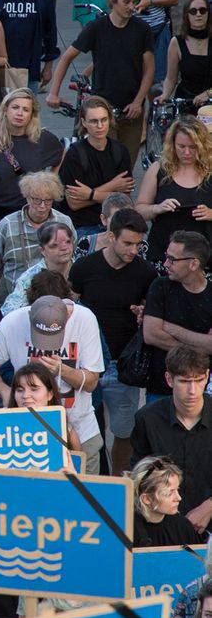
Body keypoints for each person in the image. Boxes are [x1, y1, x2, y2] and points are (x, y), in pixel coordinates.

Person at [70, 208, 156, 475]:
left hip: (123, 366)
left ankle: (118, 485)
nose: (133, 250)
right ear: (110, 237)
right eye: (127, 243)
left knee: (123, 432)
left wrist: (144, 315)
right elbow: (70, 308)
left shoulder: (145, 273)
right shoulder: (84, 268)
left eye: (138, 244)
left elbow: (149, 311)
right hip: (87, 365)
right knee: (87, 433)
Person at [0, 292, 105, 473]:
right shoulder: (12, 322)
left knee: (80, 496)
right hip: (25, 435)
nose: (46, 345)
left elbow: (91, 383)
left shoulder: (84, 319)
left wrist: (62, 370)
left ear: (68, 318)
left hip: (79, 428)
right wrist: (6, 392)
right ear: (29, 316)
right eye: (40, 336)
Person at [131, 345, 212, 528]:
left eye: (199, 380)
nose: (193, 391)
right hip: (162, 524)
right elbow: (140, 476)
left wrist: (208, 507)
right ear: (169, 379)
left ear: (207, 376)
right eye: (184, 382)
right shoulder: (148, 419)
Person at [50, 95, 136, 234]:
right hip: (83, 225)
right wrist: (113, 186)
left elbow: (124, 200)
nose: (100, 126)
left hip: (113, 223)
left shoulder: (119, 151)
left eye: (104, 120)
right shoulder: (75, 154)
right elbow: (75, 203)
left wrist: (90, 194)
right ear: (84, 122)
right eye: (94, 121)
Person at [135, 117, 212, 270]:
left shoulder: (210, 171)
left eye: (193, 147)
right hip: (164, 253)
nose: (187, 152)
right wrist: (157, 208)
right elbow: (139, 210)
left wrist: (210, 213)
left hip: (203, 257)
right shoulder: (158, 169)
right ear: (172, 144)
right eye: (181, 146)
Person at [142, 232, 212, 399]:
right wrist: (201, 347)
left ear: (194, 264)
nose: (166, 263)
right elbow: (151, 334)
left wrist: (169, 328)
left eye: (172, 259)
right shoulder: (161, 286)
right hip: (161, 388)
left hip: (203, 391)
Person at [0, 90, 65, 231]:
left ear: (32, 115)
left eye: (26, 109)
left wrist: (52, 180)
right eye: (15, 107)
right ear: (5, 109)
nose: (20, 113)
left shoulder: (42, 139)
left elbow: (61, 154)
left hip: (33, 210)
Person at [1, 219, 75, 314]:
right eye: (54, 245)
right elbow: (8, 311)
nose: (64, 248)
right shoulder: (29, 277)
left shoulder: (82, 268)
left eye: (68, 242)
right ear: (42, 250)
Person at [155, 0, 212, 117]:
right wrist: (165, 95)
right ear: (187, 14)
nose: (198, 15)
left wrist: (208, 93)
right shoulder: (177, 42)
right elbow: (171, 78)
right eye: (193, 11)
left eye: (202, 10)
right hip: (185, 102)